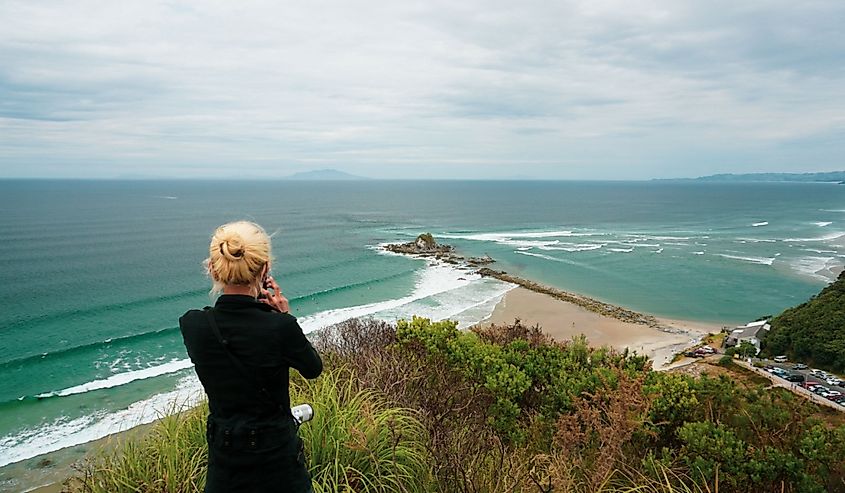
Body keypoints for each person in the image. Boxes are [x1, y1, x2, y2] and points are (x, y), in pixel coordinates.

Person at [179, 221, 322, 492]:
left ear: (212, 268)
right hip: (278, 458)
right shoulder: (279, 327)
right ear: (265, 268)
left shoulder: (193, 325)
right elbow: (312, 368)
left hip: (225, 459)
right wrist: (283, 315)